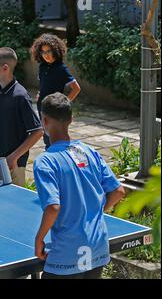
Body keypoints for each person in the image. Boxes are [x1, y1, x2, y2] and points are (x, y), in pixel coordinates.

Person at [33, 92, 126, 279]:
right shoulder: (89, 151)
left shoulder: (45, 162)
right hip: (98, 247)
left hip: (66, 255)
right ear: (71, 119)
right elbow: (118, 191)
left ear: (44, 120)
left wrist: (39, 239)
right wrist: (95, 212)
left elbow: (53, 207)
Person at [0, 47, 43, 187]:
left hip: (11, 166)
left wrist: (13, 157)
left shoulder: (20, 96)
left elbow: (37, 131)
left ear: (5, 68)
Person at [30, 33, 81, 149]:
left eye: (48, 51)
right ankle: (50, 154)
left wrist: (64, 102)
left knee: (55, 135)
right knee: (46, 136)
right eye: (43, 52)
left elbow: (76, 88)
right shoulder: (42, 67)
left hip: (54, 108)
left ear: (56, 50)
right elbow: (44, 83)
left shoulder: (61, 68)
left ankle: (58, 156)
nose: (46, 55)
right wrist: (40, 93)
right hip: (42, 106)